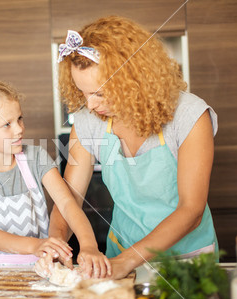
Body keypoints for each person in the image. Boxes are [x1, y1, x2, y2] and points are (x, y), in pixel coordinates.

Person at [41, 16, 219, 279]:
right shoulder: (89, 121)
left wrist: (127, 262)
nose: (90, 105)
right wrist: (56, 244)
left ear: (133, 80)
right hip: (120, 254)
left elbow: (191, 210)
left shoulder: (189, 115)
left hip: (188, 261)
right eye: (84, 93)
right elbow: (69, 198)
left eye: (99, 93)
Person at [0, 62, 110, 275]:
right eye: (7, 125)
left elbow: (67, 204)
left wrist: (89, 245)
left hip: (44, 265)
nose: (19, 130)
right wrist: (36, 246)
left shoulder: (36, 157)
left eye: (19, 119)